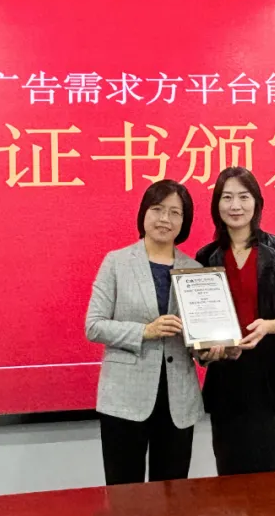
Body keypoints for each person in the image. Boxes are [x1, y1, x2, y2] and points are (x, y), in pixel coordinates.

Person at [195, 167, 275, 476]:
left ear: (257, 203)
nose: (235, 206)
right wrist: (205, 351)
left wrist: (269, 326)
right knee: (232, 482)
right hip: (228, 380)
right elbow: (198, 321)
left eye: (243, 197)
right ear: (216, 205)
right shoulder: (205, 257)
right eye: (227, 198)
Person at [86, 180, 204, 485]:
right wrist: (145, 331)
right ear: (144, 214)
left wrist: (210, 348)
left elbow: (198, 337)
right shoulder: (116, 262)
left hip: (178, 400)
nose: (165, 219)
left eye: (175, 212)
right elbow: (94, 325)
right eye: (157, 209)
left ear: (184, 221)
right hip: (124, 397)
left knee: (173, 497)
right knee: (125, 496)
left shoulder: (196, 270)